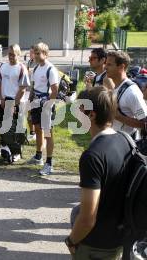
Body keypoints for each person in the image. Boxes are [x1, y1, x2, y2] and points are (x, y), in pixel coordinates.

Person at [66, 86, 129, 260]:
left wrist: (71, 241)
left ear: (91, 115)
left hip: (96, 245)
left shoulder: (92, 156)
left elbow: (88, 218)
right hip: (119, 238)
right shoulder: (125, 140)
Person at [27, 42, 59, 175]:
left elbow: (55, 89)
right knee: (38, 129)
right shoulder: (36, 68)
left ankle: (49, 163)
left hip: (46, 104)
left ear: (46, 54)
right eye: (34, 52)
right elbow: (33, 87)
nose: (35, 54)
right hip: (36, 102)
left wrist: (48, 105)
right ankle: (39, 156)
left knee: (47, 133)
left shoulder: (50, 69)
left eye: (38, 52)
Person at [0, 44, 30, 162]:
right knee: (2, 126)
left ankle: (16, 152)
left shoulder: (21, 68)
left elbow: (22, 89)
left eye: (13, 54)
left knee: (16, 128)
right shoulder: (3, 66)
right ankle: (5, 148)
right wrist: (1, 99)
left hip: (16, 102)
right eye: (9, 54)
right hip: (4, 101)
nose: (11, 56)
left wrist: (14, 105)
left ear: (18, 55)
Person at [105, 50, 147, 139]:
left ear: (121, 67)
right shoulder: (115, 87)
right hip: (114, 142)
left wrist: (118, 116)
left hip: (128, 148)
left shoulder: (132, 92)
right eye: (106, 64)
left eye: (109, 64)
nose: (105, 67)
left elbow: (144, 123)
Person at [26, 47, 36, 141]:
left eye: (32, 52)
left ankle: (38, 133)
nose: (30, 54)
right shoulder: (29, 62)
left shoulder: (39, 63)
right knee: (28, 112)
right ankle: (32, 132)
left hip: (37, 92)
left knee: (35, 113)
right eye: (30, 52)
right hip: (29, 91)